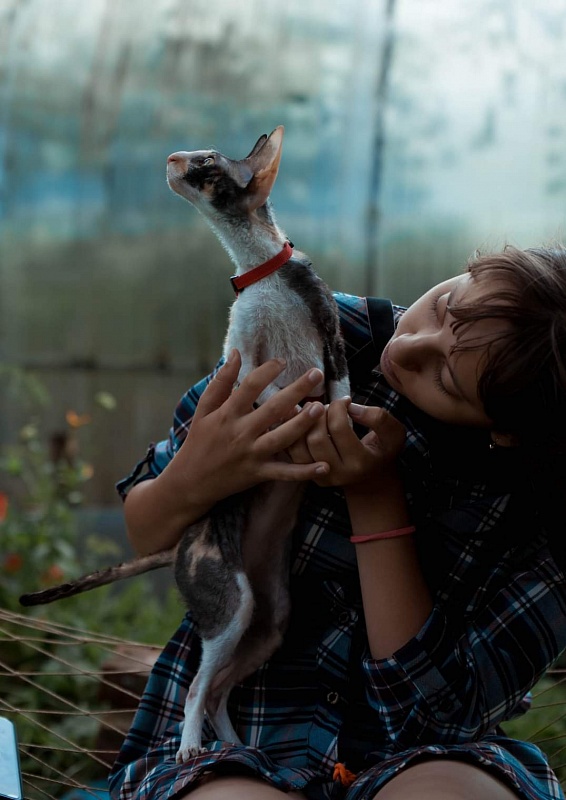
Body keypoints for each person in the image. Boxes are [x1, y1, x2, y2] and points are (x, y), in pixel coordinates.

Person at [109, 245, 566, 800]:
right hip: (228, 736)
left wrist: (374, 497)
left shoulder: (541, 513)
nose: (409, 346)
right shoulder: (319, 331)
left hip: (422, 755)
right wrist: (196, 476)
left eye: (444, 378)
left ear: (508, 432)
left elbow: (432, 721)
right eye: (444, 306)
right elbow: (146, 532)